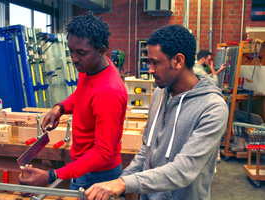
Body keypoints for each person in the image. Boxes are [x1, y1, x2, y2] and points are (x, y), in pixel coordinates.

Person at [84, 25, 229, 200]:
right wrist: (121, 180)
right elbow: (146, 149)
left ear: (178, 61)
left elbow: (184, 170)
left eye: (156, 62)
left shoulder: (213, 108)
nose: (150, 69)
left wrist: (124, 184)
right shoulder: (161, 92)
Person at [18, 11, 128, 191]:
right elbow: (81, 94)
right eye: (71, 51)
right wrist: (60, 108)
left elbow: (102, 153)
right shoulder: (91, 67)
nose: (74, 58)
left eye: (81, 53)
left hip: (98, 176)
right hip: (84, 168)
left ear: (101, 50)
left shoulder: (109, 92)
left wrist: (51, 176)